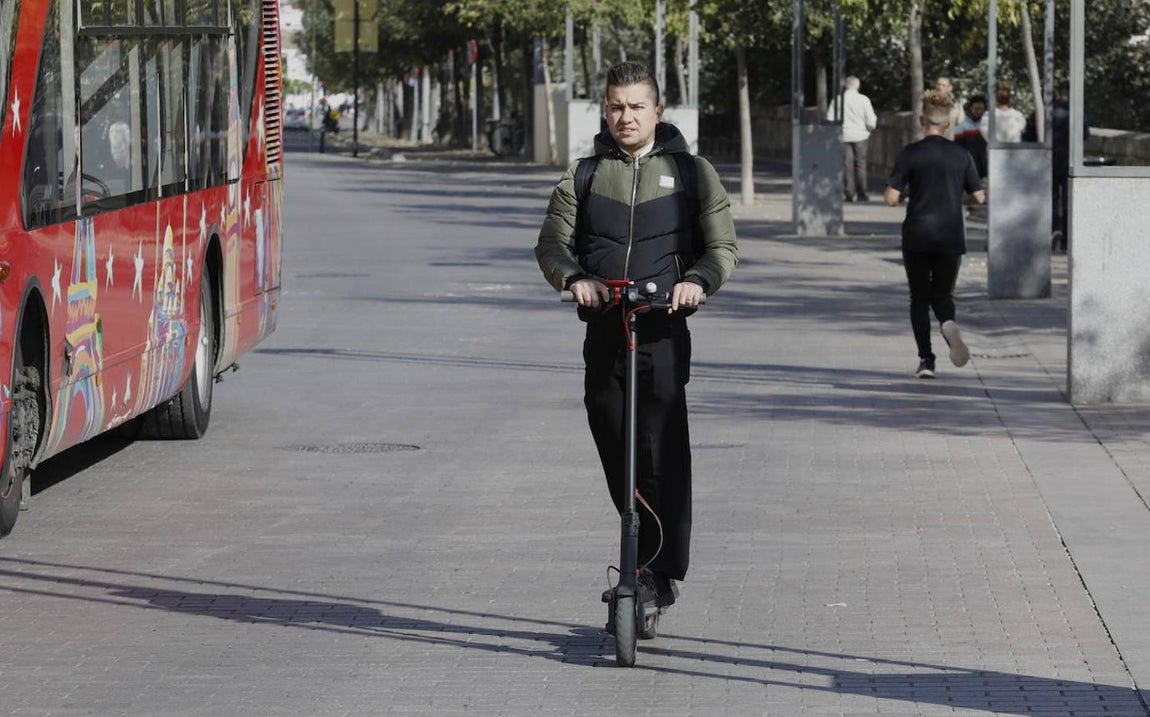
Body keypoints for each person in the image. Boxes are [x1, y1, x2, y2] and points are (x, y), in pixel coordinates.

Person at [535, 61, 738, 612]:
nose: (626, 116)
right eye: (617, 107)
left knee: (660, 446)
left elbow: (722, 248)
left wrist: (697, 282)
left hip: (662, 327)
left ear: (657, 111)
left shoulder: (692, 173)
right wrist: (574, 279)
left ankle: (656, 570)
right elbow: (551, 244)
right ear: (606, 110)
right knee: (612, 435)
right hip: (605, 327)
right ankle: (641, 555)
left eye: (636, 106)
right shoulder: (583, 175)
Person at [885, 90, 987, 379]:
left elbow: (891, 198)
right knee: (942, 294)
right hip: (950, 235)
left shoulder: (910, 153)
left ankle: (926, 360)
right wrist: (959, 196)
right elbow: (979, 197)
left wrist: (905, 194)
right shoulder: (961, 155)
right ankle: (947, 322)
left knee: (919, 298)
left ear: (922, 121)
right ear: (947, 124)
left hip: (917, 234)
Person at [828, 75, 878, 202]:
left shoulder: (837, 100)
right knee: (860, 164)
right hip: (861, 135)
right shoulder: (864, 99)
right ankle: (862, 193)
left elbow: (830, 118)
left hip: (844, 135)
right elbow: (871, 120)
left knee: (846, 164)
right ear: (858, 86)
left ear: (846, 86)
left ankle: (849, 193)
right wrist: (869, 129)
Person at [954, 94, 988, 180]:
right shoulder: (961, 127)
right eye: (976, 109)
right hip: (970, 171)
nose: (978, 111)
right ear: (970, 108)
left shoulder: (988, 125)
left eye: (981, 109)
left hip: (988, 170)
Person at [934, 76, 965, 141]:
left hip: (950, 143)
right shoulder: (927, 103)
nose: (940, 87)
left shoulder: (957, 106)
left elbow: (962, 127)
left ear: (950, 88)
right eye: (938, 84)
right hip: (931, 143)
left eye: (943, 85)